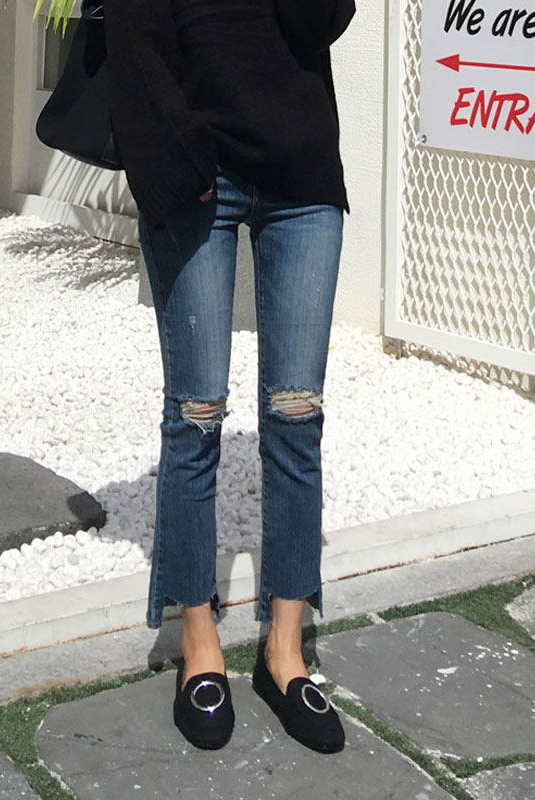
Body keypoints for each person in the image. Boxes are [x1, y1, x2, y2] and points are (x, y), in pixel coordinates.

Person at [105, 0, 356, 752]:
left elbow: (326, 18)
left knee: (296, 416)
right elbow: (133, 31)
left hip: (301, 172)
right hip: (196, 170)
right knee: (195, 417)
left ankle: (285, 653)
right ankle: (199, 643)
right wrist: (178, 157)